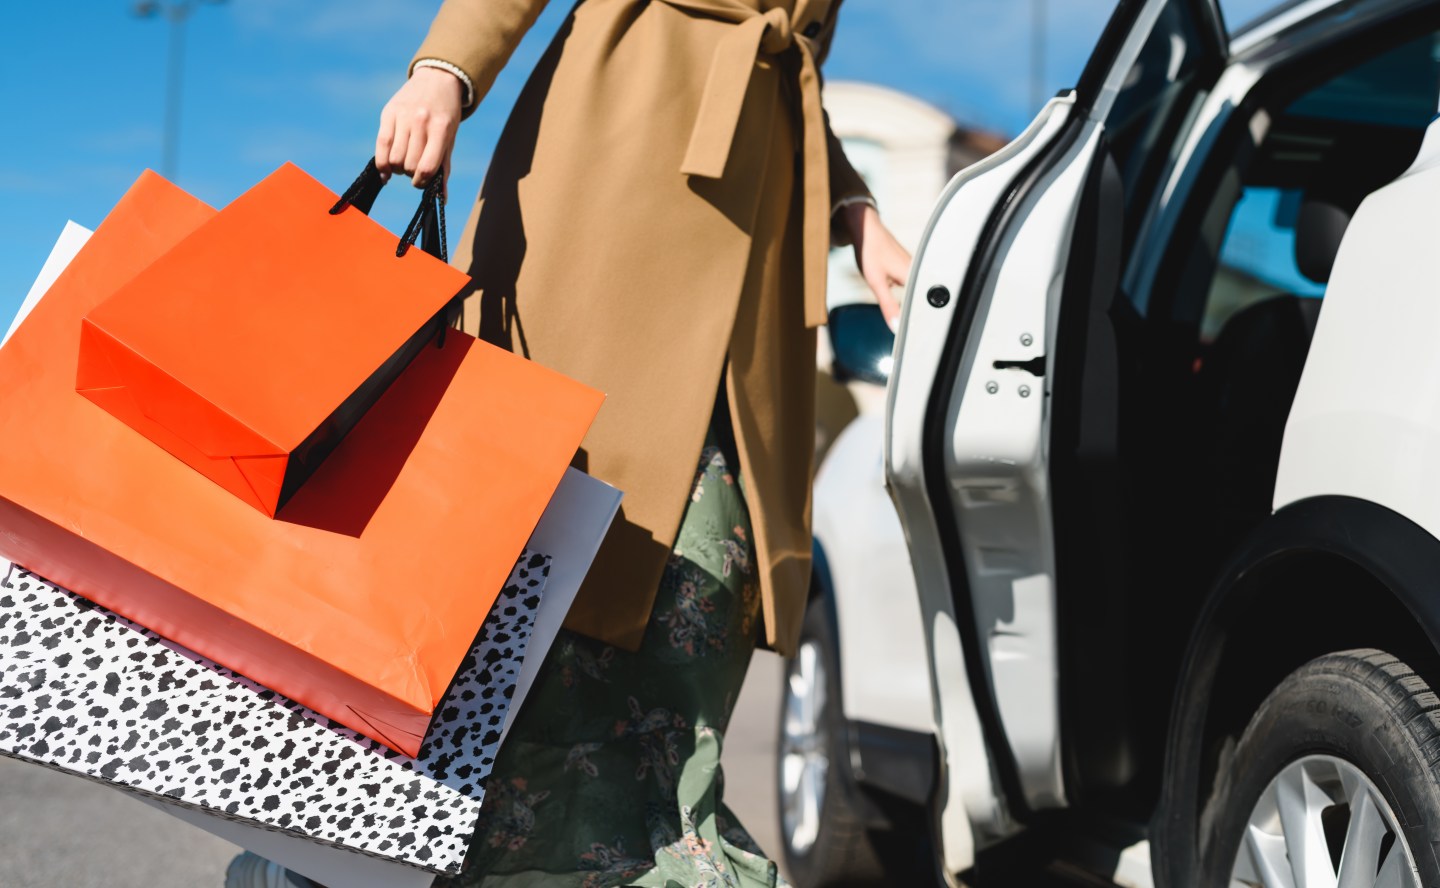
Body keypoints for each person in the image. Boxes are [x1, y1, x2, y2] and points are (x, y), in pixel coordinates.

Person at [227, 0, 909, 884]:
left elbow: (791, 72)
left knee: (700, 582)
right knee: (520, 557)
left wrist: (854, 210)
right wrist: (445, 69)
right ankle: (347, 859)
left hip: (757, 272)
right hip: (612, 184)